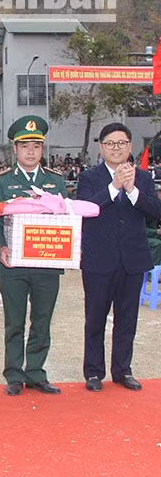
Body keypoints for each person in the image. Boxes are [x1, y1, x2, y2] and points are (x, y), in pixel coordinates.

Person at [76, 122, 161, 392]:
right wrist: (114, 186)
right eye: (111, 143)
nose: (116, 148)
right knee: (95, 317)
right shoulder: (89, 177)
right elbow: (86, 209)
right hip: (99, 260)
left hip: (132, 260)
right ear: (101, 148)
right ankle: (93, 372)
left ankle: (122, 370)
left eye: (122, 143)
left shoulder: (144, 178)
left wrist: (132, 189)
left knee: (127, 320)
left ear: (130, 146)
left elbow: (155, 211)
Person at [0, 116, 66, 396]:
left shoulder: (56, 182)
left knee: (42, 320)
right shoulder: (1, 183)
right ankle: (14, 375)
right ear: (15, 150)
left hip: (47, 263)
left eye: (36, 146)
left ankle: (36, 372)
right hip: (13, 264)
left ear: (42, 149)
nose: (31, 151)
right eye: (25, 146)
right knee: (14, 321)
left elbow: (65, 220)